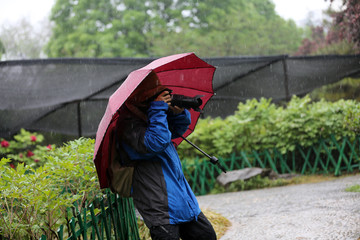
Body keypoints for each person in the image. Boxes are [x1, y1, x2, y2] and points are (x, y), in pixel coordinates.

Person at [117, 72, 217, 240]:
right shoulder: (128, 124)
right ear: (141, 97)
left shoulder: (151, 115)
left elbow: (175, 132)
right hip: (158, 204)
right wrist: (157, 109)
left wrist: (177, 113)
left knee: (206, 236)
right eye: (155, 93)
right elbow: (156, 142)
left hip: (181, 199)